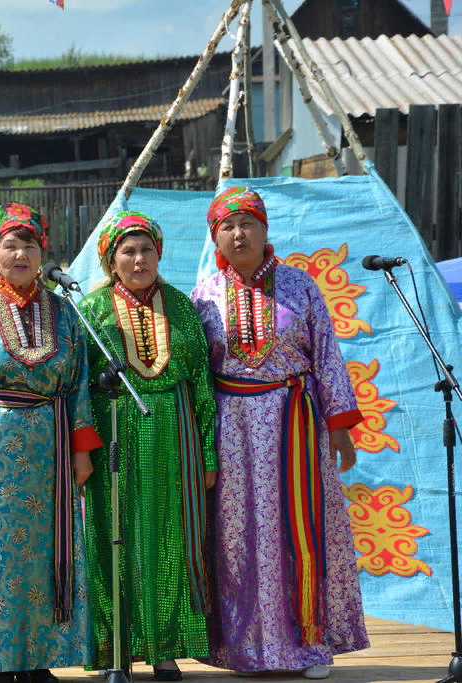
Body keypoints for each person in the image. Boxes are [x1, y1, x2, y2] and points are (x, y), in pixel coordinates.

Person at [190, 187, 369, 679]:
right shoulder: (202, 296)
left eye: (248, 223)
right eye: (228, 226)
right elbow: (197, 378)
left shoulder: (300, 286)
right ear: (215, 236)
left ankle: (309, 648)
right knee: (237, 537)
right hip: (232, 432)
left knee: (300, 535)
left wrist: (339, 427)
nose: (238, 233)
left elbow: (327, 355)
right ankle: (243, 649)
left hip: (295, 426)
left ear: (266, 230)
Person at [0, 203, 101, 683]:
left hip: (49, 452)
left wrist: (80, 450)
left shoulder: (65, 314)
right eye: (9, 244)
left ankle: (36, 659)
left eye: (29, 244)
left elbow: (78, 385)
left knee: (43, 556)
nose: (20, 253)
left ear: (43, 251)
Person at [79, 211, 218, 681]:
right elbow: (77, 385)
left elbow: (201, 384)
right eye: (128, 251)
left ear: (160, 253)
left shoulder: (181, 307)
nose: (139, 260)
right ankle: (111, 647)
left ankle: (163, 646)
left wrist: (209, 453)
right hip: (111, 430)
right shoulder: (91, 310)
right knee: (109, 534)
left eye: (147, 250)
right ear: (111, 261)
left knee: (167, 538)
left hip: (173, 435)